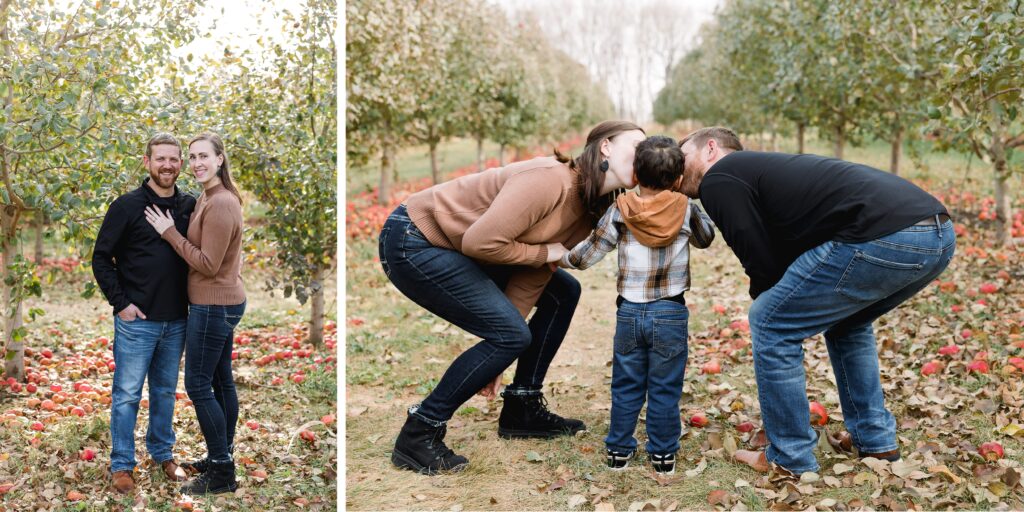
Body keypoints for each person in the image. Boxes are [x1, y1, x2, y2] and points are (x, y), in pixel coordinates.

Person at [676, 127, 955, 475]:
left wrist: (772, 307)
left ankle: (790, 457)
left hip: (885, 235)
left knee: (769, 321)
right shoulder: (764, 173)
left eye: (681, 153)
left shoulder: (720, 177)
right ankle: (876, 442)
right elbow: (784, 254)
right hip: (937, 235)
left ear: (711, 149)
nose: (674, 164)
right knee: (847, 324)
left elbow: (756, 255)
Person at [380, 121, 647, 475]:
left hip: (462, 247)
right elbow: (482, 243)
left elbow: (536, 271)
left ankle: (522, 406)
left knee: (562, 293)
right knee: (509, 335)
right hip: (415, 238)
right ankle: (419, 432)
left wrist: (500, 354)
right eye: (635, 147)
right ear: (606, 147)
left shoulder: (593, 207)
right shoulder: (550, 180)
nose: (642, 158)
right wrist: (508, 332)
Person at [559, 135, 714, 475]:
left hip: (629, 312)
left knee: (626, 384)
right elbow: (706, 239)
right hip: (670, 313)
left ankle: (618, 451)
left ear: (636, 174)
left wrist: (563, 258)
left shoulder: (621, 209)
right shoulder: (685, 209)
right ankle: (662, 455)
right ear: (677, 178)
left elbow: (591, 251)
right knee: (665, 386)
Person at [92, 132, 196, 494]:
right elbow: (101, 258)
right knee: (126, 394)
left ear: (180, 163)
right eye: (160, 159)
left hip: (178, 319)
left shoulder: (190, 206)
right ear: (147, 162)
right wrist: (121, 303)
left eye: (173, 159)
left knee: (166, 391)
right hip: (137, 321)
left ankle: (163, 453)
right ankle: (122, 464)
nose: (167, 165)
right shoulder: (127, 206)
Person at [144, 132, 246, 494]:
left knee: (198, 384)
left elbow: (208, 262)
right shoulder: (210, 196)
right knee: (220, 381)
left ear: (220, 159)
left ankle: (221, 471)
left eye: (204, 156)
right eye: (192, 157)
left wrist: (169, 232)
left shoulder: (221, 203)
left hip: (213, 303)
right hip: (220, 299)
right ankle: (223, 455)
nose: (197, 163)